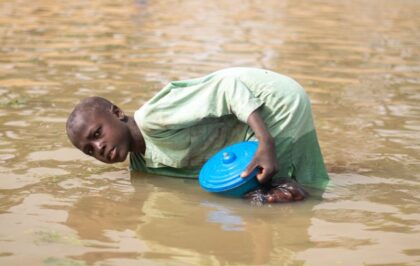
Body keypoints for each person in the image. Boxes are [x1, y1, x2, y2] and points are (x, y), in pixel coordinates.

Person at [66, 67, 329, 202]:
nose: (99, 147)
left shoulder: (154, 117)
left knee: (259, 196)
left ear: (118, 113)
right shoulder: (142, 164)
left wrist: (265, 140)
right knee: (309, 187)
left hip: (272, 100)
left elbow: (227, 87)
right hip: (252, 117)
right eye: (90, 149)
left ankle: (293, 192)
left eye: (97, 133)